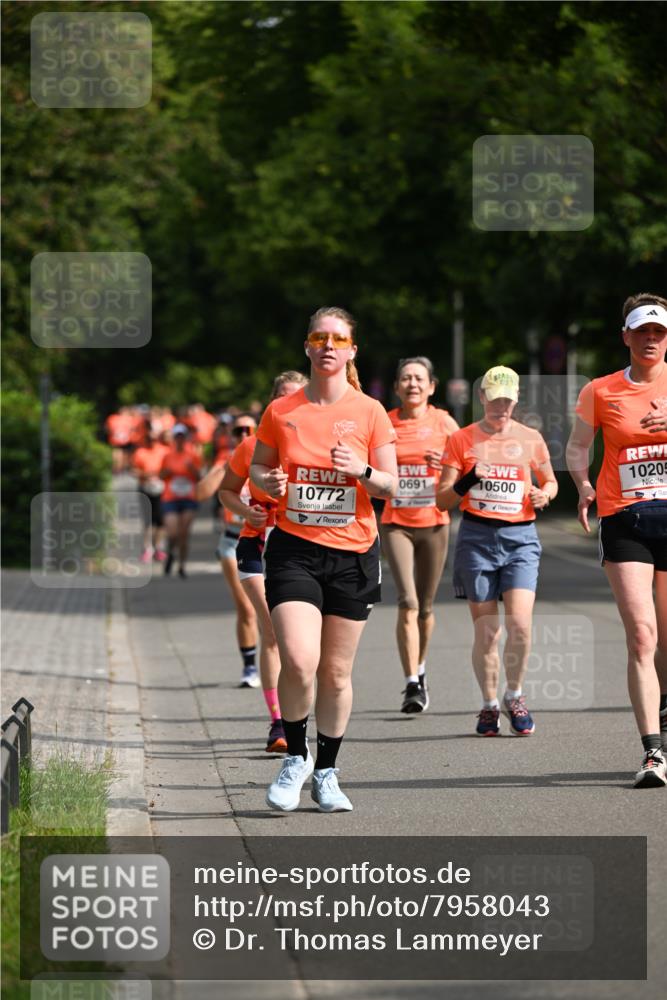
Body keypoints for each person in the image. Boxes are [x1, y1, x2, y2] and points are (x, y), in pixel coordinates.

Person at [250, 306, 398, 812]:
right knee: (298, 659)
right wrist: (265, 483)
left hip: (354, 551)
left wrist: (362, 469)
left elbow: (391, 484)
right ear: (308, 347)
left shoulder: (371, 412)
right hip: (295, 549)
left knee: (335, 672)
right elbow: (258, 467)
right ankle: (296, 757)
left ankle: (328, 771)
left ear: (352, 350)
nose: (328, 346)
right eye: (319, 337)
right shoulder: (283, 410)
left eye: (338, 339)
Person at [566, 293, 667, 788]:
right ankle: (652, 752)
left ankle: (664, 714)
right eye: (642, 331)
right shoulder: (601, 391)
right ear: (625, 336)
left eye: (659, 332)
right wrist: (584, 486)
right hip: (625, 519)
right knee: (642, 635)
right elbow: (578, 446)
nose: (651, 339)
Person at [437, 366, 557, 737]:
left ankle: (515, 695)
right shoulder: (462, 440)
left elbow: (549, 480)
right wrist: (471, 478)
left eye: (507, 399)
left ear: (515, 400)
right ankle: (489, 705)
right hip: (477, 537)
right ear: (482, 398)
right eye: (494, 398)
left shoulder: (530, 438)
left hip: (520, 538)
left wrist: (545, 494)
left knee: (519, 625)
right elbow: (442, 499)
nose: (500, 406)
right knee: (488, 632)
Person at [219, 372, 309, 752]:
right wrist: (247, 512)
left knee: (302, 644)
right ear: (273, 406)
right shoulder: (252, 446)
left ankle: (300, 713)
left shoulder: (315, 448)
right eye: (284, 400)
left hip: (304, 547)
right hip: (256, 544)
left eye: (299, 399)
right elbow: (226, 492)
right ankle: (278, 725)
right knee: (272, 631)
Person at [381, 357, 459, 713]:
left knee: (426, 606)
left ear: (431, 386)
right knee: (407, 601)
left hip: (434, 521)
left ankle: (421, 667)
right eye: (405, 378)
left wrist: (444, 464)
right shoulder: (385, 423)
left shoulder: (444, 422)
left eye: (419, 378)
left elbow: (468, 465)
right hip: (396, 521)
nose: (412, 384)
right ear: (397, 387)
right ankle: (411, 682)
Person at [203, 414, 262, 687]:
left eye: (249, 429)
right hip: (232, 541)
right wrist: (223, 470)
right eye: (238, 430)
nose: (243, 434)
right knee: (246, 608)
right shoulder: (224, 460)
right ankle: (250, 667)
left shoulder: (266, 456)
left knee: (272, 609)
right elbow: (200, 493)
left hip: (265, 541)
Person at [159, 423, 202, 578]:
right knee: (172, 533)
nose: (179, 439)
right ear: (173, 439)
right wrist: (167, 472)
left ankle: (182, 565)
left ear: (185, 438)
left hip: (188, 498)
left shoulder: (193, 456)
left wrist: (192, 470)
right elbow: (161, 476)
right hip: (170, 498)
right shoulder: (167, 456)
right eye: (176, 437)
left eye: (181, 436)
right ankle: (170, 552)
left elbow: (199, 478)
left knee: (184, 533)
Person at [132, 427, 170, 563]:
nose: (152, 441)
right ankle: (147, 548)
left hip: (161, 488)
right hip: (145, 488)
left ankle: (158, 547)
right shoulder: (140, 452)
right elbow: (134, 471)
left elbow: (169, 469)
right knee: (148, 520)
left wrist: (160, 475)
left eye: (154, 438)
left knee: (161, 520)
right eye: (149, 438)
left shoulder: (164, 451)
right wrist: (146, 475)